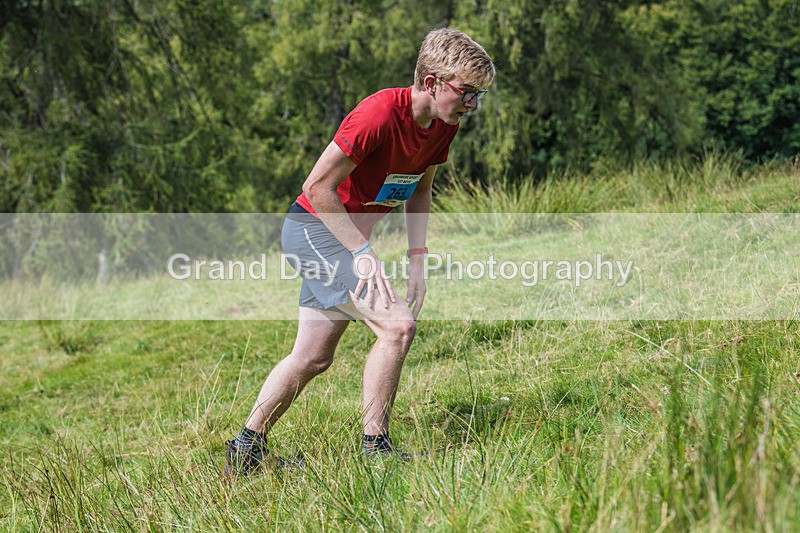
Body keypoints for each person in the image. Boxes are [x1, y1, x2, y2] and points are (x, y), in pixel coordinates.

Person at [225, 27, 495, 475]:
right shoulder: (377, 115)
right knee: (397, 326)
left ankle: (245, 449)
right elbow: (317, 187)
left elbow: (421, 188)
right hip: (315, 231)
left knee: (312, 357)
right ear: (431, 82)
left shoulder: (443, 126)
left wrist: (417, 258)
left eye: (478, 97)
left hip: (342, 240)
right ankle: (376, 450)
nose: (471, 106)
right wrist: (362, 251)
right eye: (466, 94)